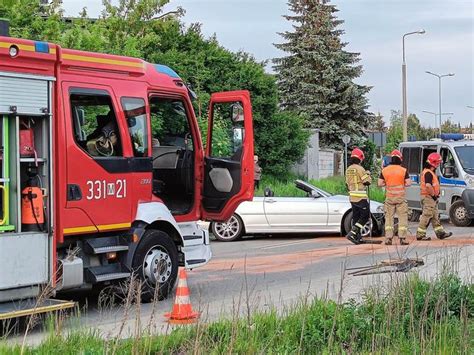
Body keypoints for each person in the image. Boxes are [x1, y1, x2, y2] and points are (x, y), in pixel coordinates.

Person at [416, 152, 453, 241]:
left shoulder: (429, 172)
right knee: (427, 215)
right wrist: (433, 196)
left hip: (431, 197)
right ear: (435, 163)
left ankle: (440, 233)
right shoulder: (428, 173)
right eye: (438, 163)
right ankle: (420, 234)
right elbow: (428, 186)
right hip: (429, 197)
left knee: (435, 216)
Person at [378, 149, 411, 245]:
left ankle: (388, 238)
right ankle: (402, 238)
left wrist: (387, 183)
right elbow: (408, 183)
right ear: (400, 159)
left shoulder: (385, 170)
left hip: (389, 198)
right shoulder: (403, 170)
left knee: (389, 218)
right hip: (400, 198)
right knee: (402, 217)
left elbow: (380, 183)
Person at [345, 148, 372, 244]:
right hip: (360, 197)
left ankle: (357, 237)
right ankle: (352, 233)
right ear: (360, 158)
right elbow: (367, 181)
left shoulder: (348, 169)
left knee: (356, 217)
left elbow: (346, 183)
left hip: (352, 197)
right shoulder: (360, 169)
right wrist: (368, 174)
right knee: (365, 216)